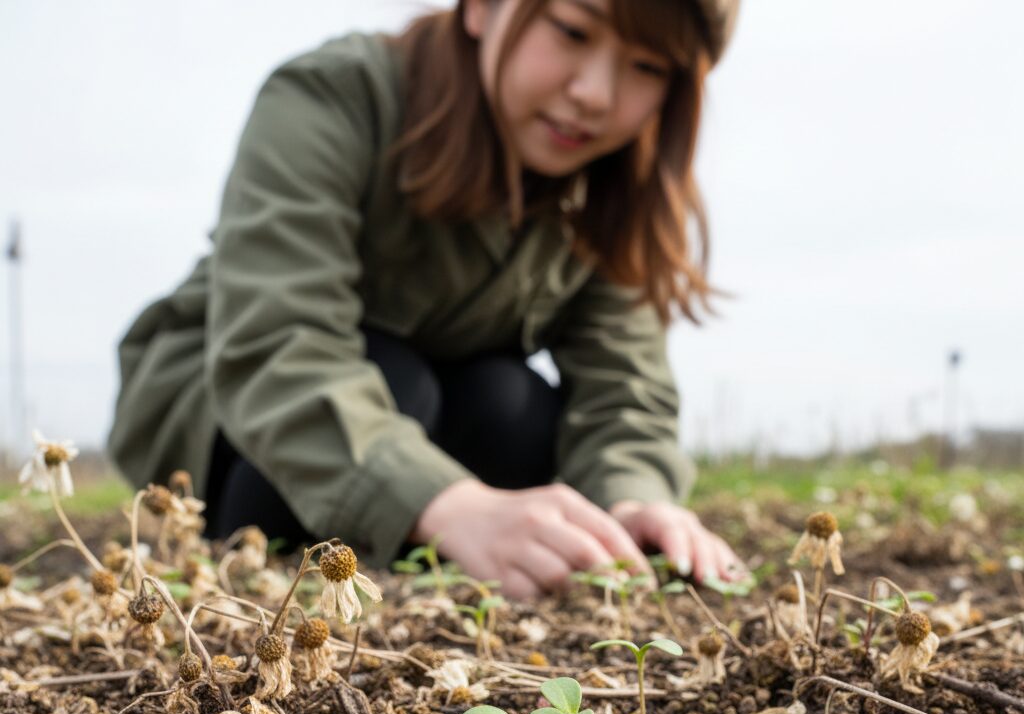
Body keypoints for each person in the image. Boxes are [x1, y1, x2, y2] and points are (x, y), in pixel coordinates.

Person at [108, 0, 746, 598]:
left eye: (647, 66)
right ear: (482, 7)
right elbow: (276, 342)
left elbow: (623, 383)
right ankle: (261, 558)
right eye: (573, 31)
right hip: (232, 414)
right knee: (399, 383)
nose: (595, 94)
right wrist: (451, 505)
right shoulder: (333, 98)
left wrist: (633, 503)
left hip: (431, 416)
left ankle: (419, 543)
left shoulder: (606, 187)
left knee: (510, 408)